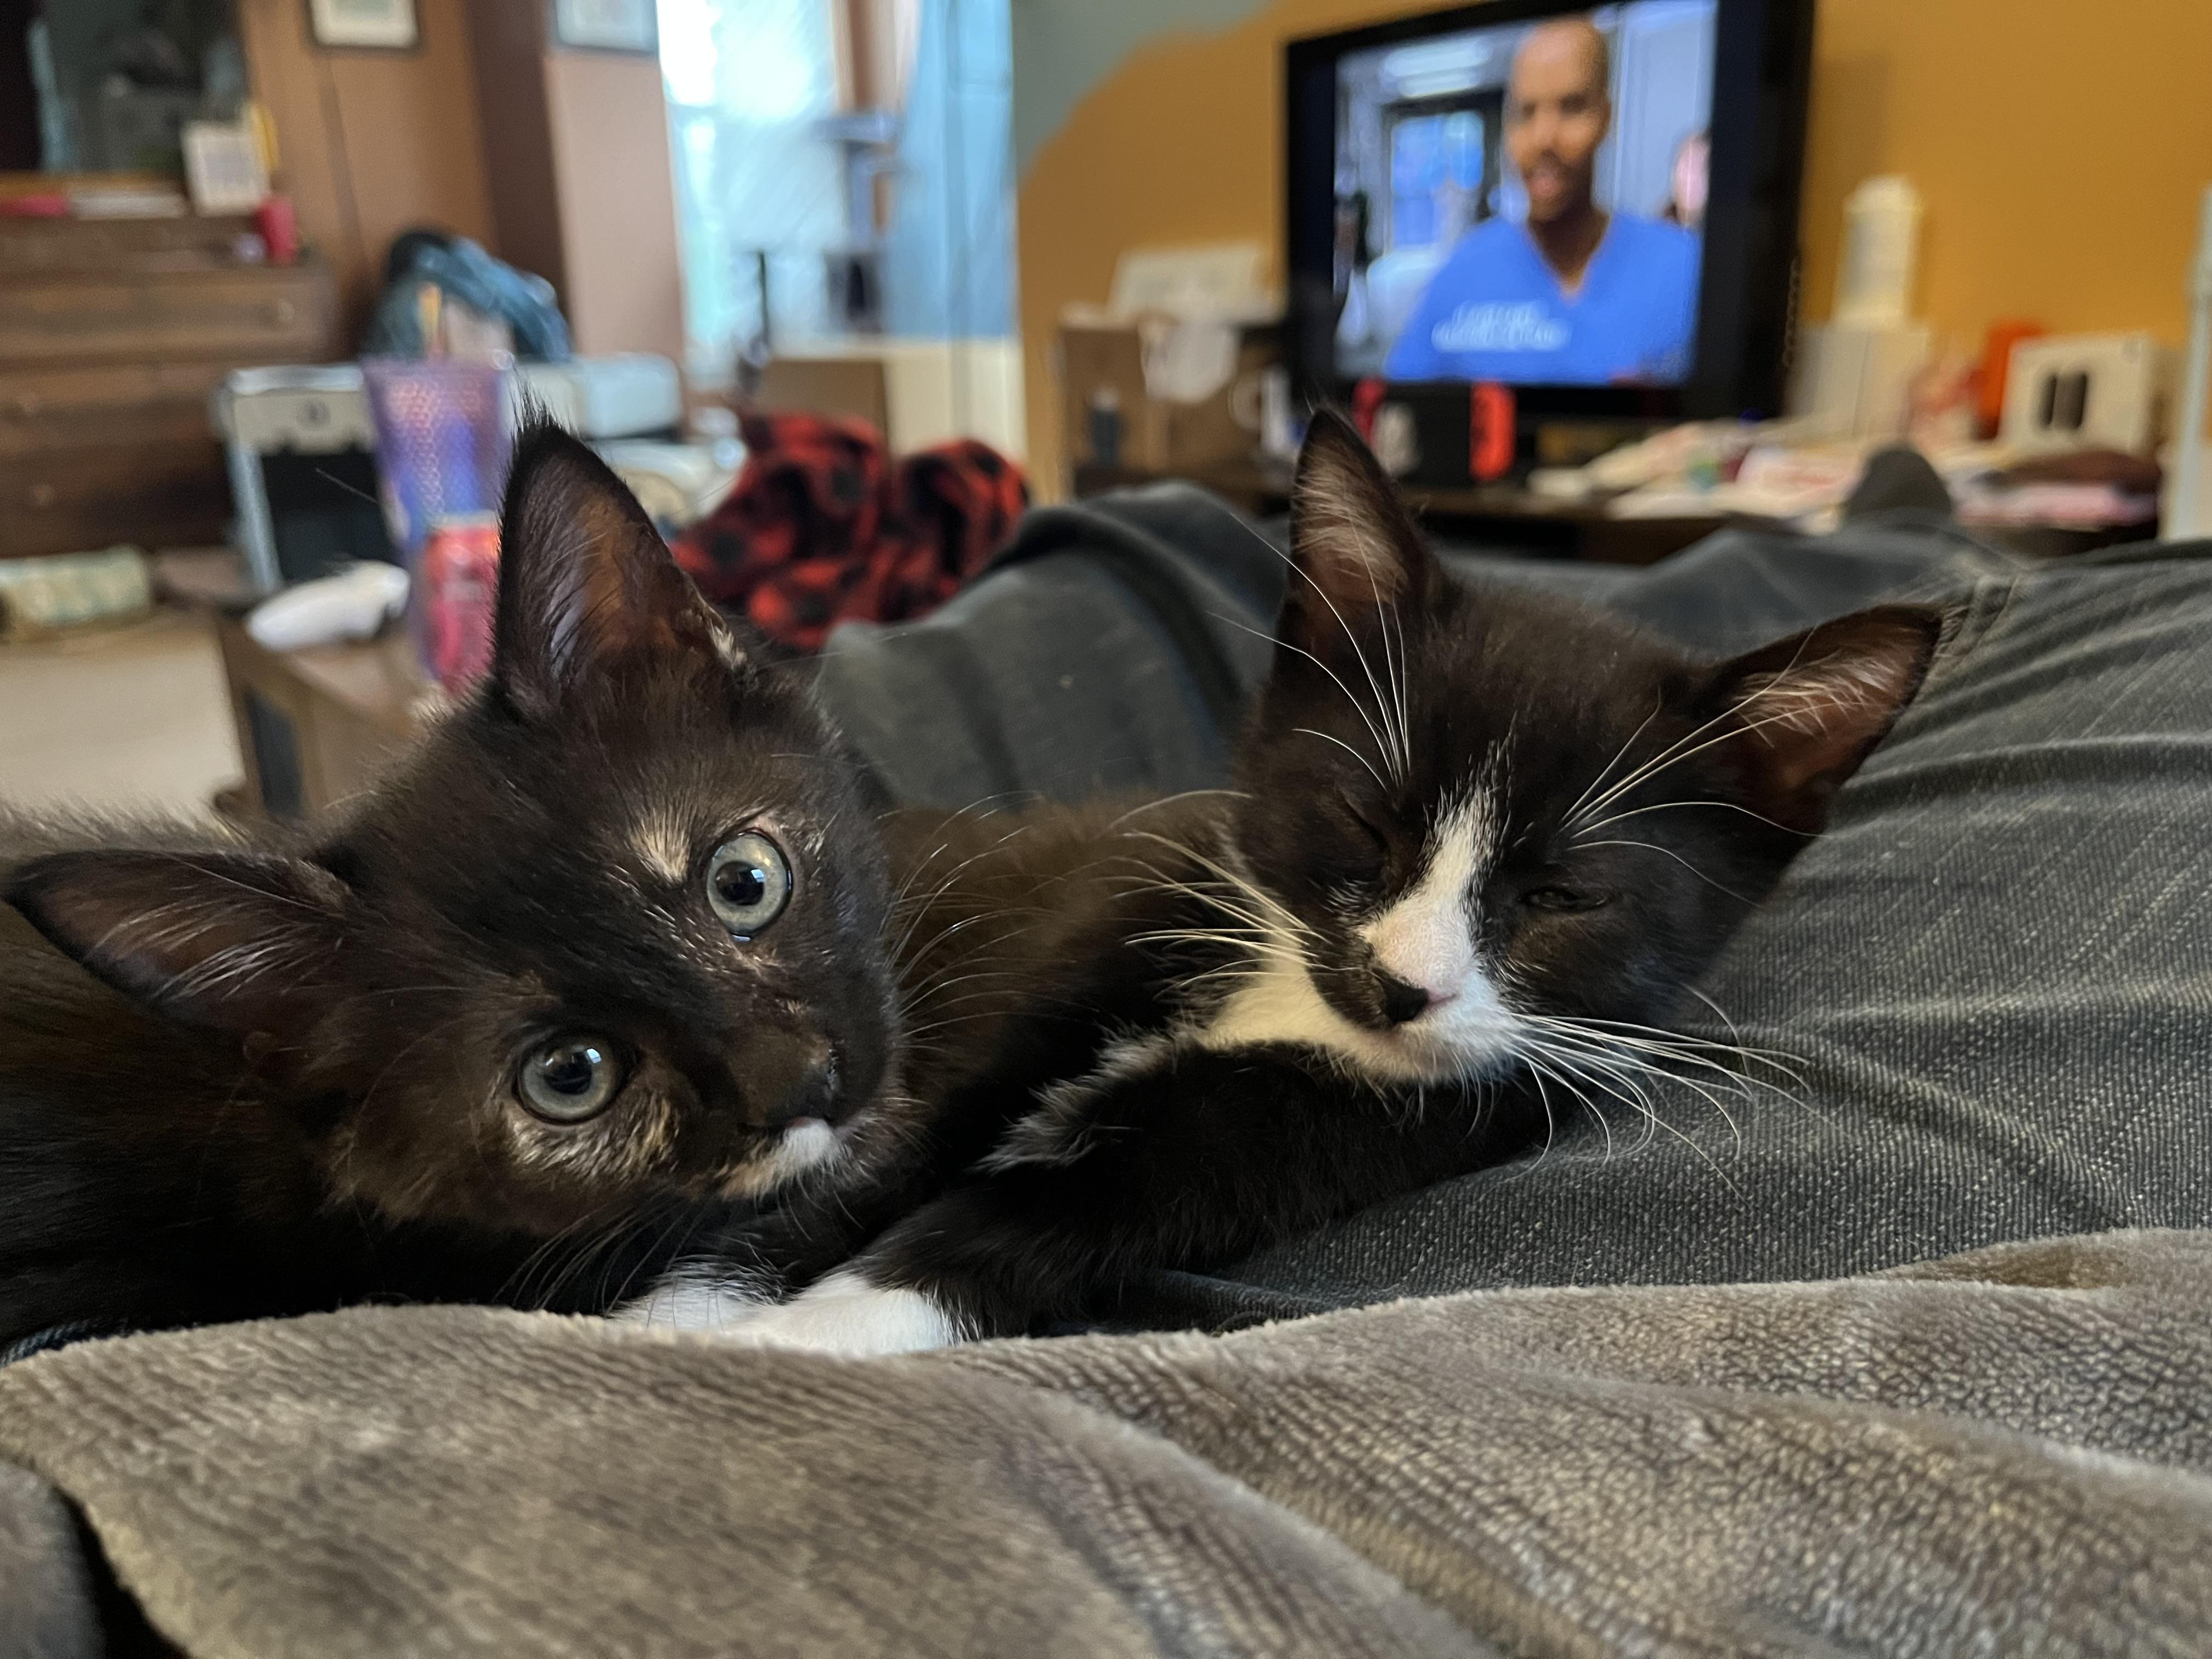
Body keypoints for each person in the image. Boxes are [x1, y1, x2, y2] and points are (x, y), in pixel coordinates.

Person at [1384, 15, 1701, 385]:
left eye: (1571, 106)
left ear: (1606, 118)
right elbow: (1390, 407)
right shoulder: (1461, 275)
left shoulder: (1686, 267)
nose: (1544, 138)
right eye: (1526, 112)